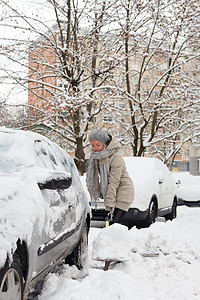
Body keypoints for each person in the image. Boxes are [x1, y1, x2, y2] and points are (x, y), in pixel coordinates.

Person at [86, 128, 134, 225]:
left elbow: (113, 183)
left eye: (98, 145)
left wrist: (108, 207)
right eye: (93, 145)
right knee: (112, 227)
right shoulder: (97, 156)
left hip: (123, 193)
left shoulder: (115, 157)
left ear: (105, 144)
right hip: (112, 193)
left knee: (114, 225)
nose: (95, 148)